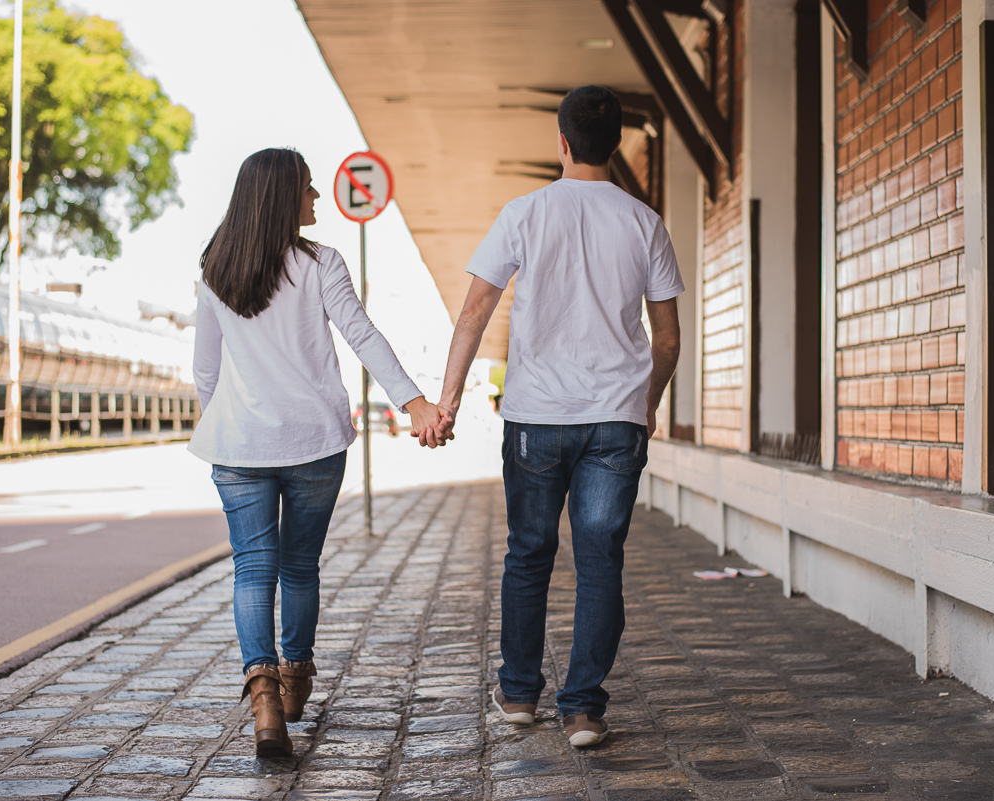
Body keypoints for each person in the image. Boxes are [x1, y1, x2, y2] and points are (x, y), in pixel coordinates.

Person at [423, 86, 683, 748]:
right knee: (600, 559)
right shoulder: (645, 221)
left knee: (528, 552)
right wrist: (645, 404)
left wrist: (448, 401)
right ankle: (583, 710)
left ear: (561, 143)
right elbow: (669, 338)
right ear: (618, 143)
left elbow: (476, 308)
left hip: (537, 417)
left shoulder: (524, 213)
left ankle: (517, 695)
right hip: (616, 421)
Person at [189, 147, 444, 757]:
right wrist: (414, 405)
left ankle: (264, 699)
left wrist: (227, 424)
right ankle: (296, 677)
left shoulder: (213, 270)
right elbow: (361, 334)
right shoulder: (321, 263)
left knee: (253, 568)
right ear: (281, 196)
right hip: (313, 443)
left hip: (239, 446)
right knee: (299, 566)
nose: (316, 198)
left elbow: (206, 371)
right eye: (307, 188)